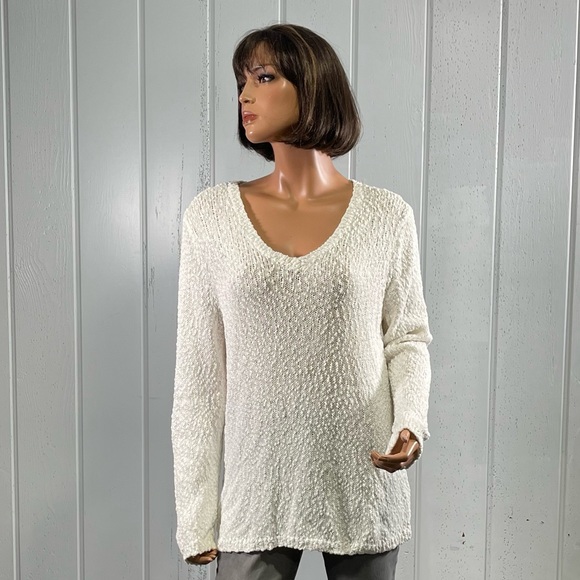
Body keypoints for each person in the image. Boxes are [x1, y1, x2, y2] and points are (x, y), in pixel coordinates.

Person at [171, 23, 433, 580]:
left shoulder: (386, 216)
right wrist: (196, 515)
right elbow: (199, 376)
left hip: (364, 475)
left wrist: (410, 420)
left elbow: (406, 337)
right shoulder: (211, 218)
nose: (245, 94)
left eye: (264, 77)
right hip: (258, 486)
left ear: (313, 86)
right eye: (242, 82)